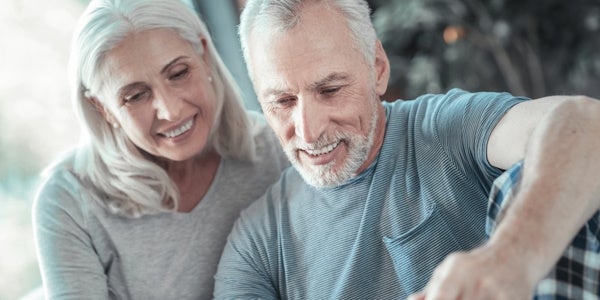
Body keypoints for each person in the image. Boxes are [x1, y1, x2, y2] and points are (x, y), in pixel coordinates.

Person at [213, 0, 600, 298]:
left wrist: (511, 258)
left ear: (377, 68)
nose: (309, 131)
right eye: (281, 101)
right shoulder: (256, 244)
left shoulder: (444, 129)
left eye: (330, 90)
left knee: (544, 174)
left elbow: (585, 123)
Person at [32, 0, 289, 299]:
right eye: (136, 95)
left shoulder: (273, 146)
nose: (170, 110)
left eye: (178, 74)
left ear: (204, 56)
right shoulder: (69, 201)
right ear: (103, 109)